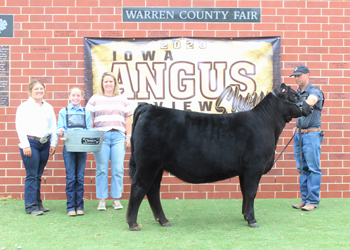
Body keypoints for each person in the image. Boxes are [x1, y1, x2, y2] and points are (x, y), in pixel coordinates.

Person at [86, 71, 133, 211]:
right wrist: (91, 136)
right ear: (102, 83)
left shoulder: (122, 99)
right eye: (106, 81)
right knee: (101, 169)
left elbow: (127, 119)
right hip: (101, 137)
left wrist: (128, 137)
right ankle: (101, 200)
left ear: (115, 83)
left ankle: (116, 199)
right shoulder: (95, 99)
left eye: (111, 81)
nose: (108, 84)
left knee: (118, 169)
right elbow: (90, 119)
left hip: (118, 136)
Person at [16, 80, 58, 215]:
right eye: (36, 89)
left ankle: (38, 204)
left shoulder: (48, 107)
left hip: (44, 144)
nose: (39, 91)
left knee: (38, 175)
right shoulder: (24, 107)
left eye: (41, 88)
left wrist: (53, 143)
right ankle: (31, 206)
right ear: (30, 91)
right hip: (31, 143)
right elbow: (20, 127)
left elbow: (53, 126)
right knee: (32, 175)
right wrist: (25, 145)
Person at [290, 65, 324, 211]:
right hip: (299, 135)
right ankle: (304, 199)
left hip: (311, 135)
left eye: (299, 75)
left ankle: (313, 201)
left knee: (313, 168)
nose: (297, 78)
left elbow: (312, 100)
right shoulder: (297, 92)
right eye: (295, 76)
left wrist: (302, 105)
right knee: (302, 169)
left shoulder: (314, 91)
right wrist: (297, 126)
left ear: (307, 75)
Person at [57, 87, 92, 216]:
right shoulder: (63, 111)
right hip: (69, 147)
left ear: (82, 97)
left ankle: (79, 206)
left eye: (78, 95)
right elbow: (59, 127)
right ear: (69, 97)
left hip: (82, 147)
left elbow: (88, 129)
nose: (76, 98)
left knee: (80, 177)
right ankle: (71, 207)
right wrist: (60, 130)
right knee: (71, 177)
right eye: (73, 95)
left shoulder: (85, 112)